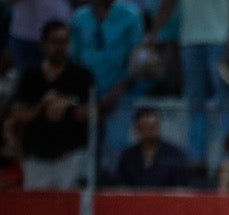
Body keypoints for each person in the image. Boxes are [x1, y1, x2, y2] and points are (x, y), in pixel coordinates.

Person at [147, 0, 229, 169]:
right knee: (195, 103)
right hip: (190, 40)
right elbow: (168, 4)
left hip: (221, 39)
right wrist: (153, 33)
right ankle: (196, 161)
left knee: (226, 102)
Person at [10, 19, 94, 189]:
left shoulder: (81, 75)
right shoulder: (31, 76)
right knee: (37, 212)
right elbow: (18, 116)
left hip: (71, 158)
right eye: (55, 42)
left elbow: (91, 113)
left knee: (69, 211)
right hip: (37, 159)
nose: (60, 47)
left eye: (64, 42)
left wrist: (68, 103)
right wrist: (43, 105)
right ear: (43, 44)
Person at [70, 0, 145, 176]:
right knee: (87, 145)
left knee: (116, 145)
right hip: (87, 94)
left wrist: (119, 90)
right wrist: (84, 94)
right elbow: (75, 57)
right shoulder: (80, 18)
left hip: (121, 92)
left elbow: (137, 57)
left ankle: (112, 182)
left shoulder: (130, 15)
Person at [112, 105, 192, 187]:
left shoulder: (175, 155)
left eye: (153, 126)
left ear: (159, 127)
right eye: (145, 127)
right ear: (136, 129)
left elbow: (182, 188)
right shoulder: (128, 156)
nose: (150, 131)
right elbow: (120, 186)